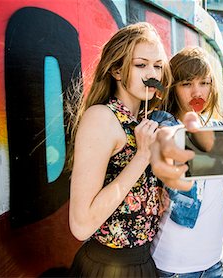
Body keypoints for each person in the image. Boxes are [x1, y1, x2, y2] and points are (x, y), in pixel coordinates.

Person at [67, 22, 184, 277]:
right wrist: (142, 157)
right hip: (107, 265)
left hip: (145, 262)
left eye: (157, 66)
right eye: (141, 65)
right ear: (117, 70)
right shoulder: (102, 117)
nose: (152, 74)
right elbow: (81, 225)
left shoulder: (145, 121)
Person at [150, 46, 223, 278]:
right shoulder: (163, 123)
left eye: (204, 83)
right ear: (174, 88)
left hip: (215, 263)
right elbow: (165, 138)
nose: (196, 92)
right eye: (186, 84)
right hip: (173, 266)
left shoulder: (220, 131)